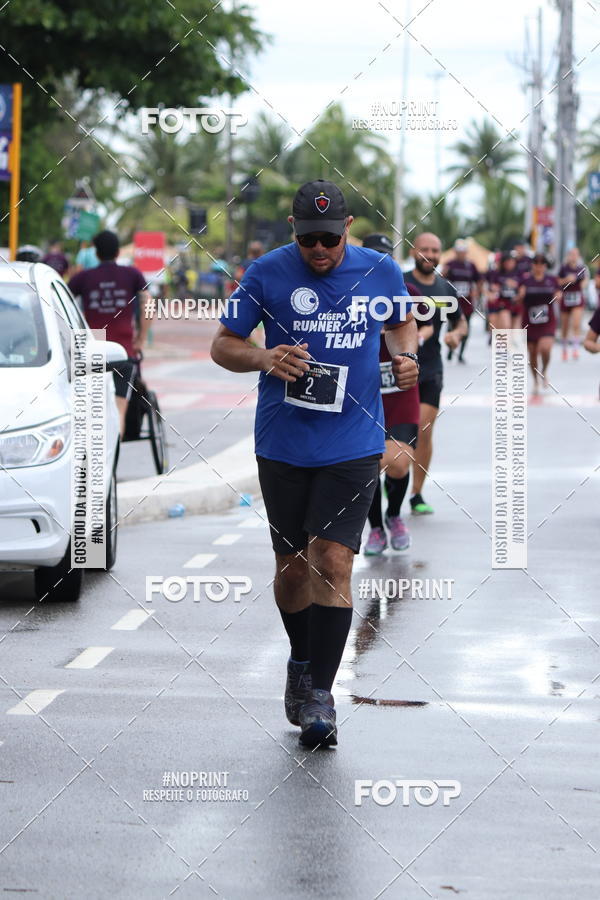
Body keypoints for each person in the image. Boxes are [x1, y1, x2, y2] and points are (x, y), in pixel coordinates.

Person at [210, 180, 419, 748]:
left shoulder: (380, 271)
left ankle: (322, 695)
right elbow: (223, 343)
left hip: (353, 442)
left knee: (333, 560)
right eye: (309, 241)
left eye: (329, 238)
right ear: (292, 231)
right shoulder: (267, 274)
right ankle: (301, 660)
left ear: (347, 228)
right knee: (293, 568)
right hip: (283, 443)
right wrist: (261, 355)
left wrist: (405, 356)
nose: (320, 250)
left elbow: (403, 323)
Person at [362, 234, 431, 554]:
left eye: (385, 256)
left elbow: (424, 325)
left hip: (401, 391)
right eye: (373, 255)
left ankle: (393, 516)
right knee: (370, 463)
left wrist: (413, 344)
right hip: (365, 395)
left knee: (400, 463)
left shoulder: (406, 293)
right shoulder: (349, 293)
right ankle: (375, 527)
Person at [404, 233, 467, 516]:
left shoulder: (446, 288)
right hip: (398, 368)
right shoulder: (401, 282)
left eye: (435, 249)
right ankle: (394, 475)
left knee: (423, 431)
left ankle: (416, 493)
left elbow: (461, 323)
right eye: (425, 249)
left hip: (431, 369)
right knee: (396, 433)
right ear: (414, 250)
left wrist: (455, 334)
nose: (429, 254)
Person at [69, 230, 151, 435]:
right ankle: (113, 461)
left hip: (93, 348)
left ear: (96, 254)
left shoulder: (83, 278)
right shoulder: (132, 274)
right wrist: (140, 339)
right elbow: (148, 304)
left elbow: (64, 305)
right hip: (124, 348)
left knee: (91, 409)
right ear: (117, 252)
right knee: (118, 409)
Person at [517, 253, 561, 395]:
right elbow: (518, 299)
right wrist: (520, 296)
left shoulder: (551, 280)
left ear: (545, 266)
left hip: (547, 320)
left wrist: (558, 296)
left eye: (542, 264)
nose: (539, 266)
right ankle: (535, 379)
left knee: (545, 348)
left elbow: (558, 292)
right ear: (532, 265)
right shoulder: (525, 281)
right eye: (536, 263)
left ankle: (544, 371)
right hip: (529, 320)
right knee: (533, 353)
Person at [442, 239, 482, 363]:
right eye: (459, 251)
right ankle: (450, 349)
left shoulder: (471, 266)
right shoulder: (449, 264)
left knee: (466, 328)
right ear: (455, 252)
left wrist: (477, 292)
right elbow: (441, 280)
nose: (461, 254)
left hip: (467, 302)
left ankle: (461, 353)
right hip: (453, 301)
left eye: (463, 251)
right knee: (451, 326)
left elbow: (479, 280)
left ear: (466, 252)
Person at [558, 247, 588, 361]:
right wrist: (567, 279)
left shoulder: (581, 269)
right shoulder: (563, 268)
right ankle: (564, 349)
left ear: (578, 256)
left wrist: (582, 284)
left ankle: (575, 349)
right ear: (569, 256)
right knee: (565, 326)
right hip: (566, 298)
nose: (574, 256)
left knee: (576, 324)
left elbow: (584, 280)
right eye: (572, 254)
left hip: (577, 298)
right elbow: (558, 281)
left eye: (576, 254)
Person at [486, 252, 520, 331]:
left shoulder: (519, 273)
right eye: (507, 261)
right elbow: (491, 287)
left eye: (511, 261)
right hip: (503, 303)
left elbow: (523, 287)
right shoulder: (497, 274)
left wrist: (516, 286)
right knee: (505, 326)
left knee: (516, 330)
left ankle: (509, 341)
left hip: (517, 304)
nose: (509, 263)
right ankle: (498, 339)